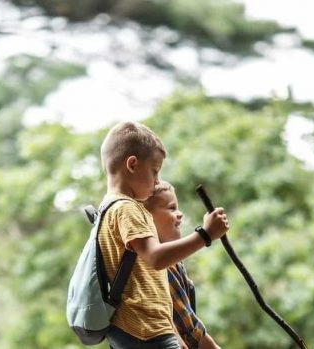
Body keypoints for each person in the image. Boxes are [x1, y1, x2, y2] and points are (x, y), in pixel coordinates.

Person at [97, 121, 230, 349]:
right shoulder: (125, 208)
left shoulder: (110, 208)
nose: (157, 180)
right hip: (145, 331)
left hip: (146, 330)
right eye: (154, 171)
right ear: (132, 164)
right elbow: (156, 258)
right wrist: (205, 234)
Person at [145, 181, 221, 349]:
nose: (179, 214)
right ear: (146, 218)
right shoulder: (160, 267)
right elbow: (188, 329)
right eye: (172, 208)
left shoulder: (173, 263)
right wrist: (206, 234)